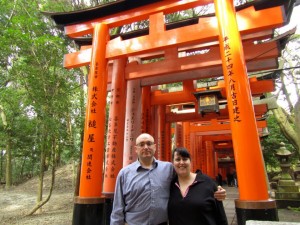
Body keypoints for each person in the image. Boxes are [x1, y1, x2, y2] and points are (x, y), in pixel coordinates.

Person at [110, 133, 226, 225]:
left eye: (149, 143)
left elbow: (187, 178)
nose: (146, 147)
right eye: (141, 144)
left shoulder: (168, 168)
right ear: (136, 149)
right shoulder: (125, 174)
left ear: (155, 147)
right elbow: (117, 208)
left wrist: (214, 189)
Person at [168, 147, 228, 225]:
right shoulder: (170, 185)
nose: (181, 162)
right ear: (172, 163)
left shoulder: (207, 183)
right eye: (178, 159)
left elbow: (221, 216)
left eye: (185, 159)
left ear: (190, 162)